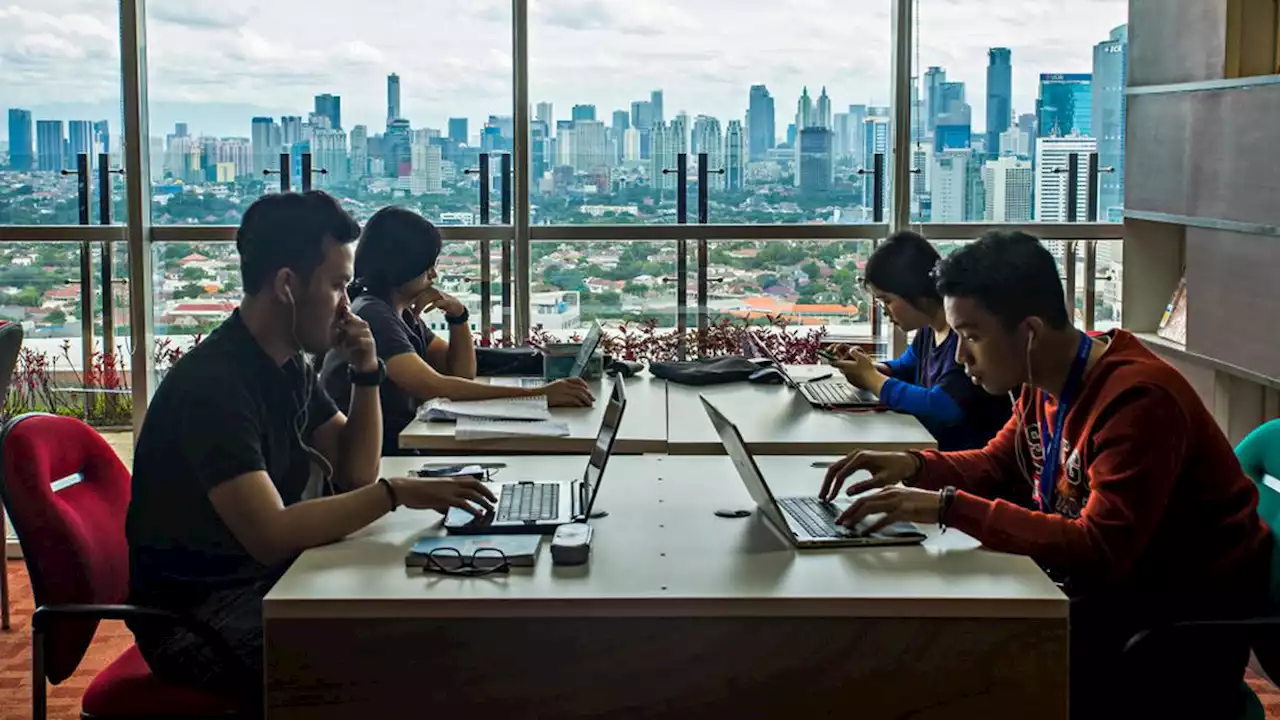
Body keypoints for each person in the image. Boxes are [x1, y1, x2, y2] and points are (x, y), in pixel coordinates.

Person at [819, 230, 1271, 719]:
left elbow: (1100, 548)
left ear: (1029, 332)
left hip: (1167, 625)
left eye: (971, 337)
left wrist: (947, 505)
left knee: (956, 667)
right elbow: (996, 463)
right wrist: (914, 465)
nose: (961, 357)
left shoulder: (1139, 401)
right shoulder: (1044, 380)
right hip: (1100, 597)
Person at [125, 192, 496, 709]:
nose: (347, 302)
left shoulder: (286, 365)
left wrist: (367, 375)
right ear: (287, 286)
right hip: (200, 622)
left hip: (267, 584)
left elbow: (355, 471)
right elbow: (271, 535)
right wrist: (399, 493)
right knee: (415, 660)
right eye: (338, 285)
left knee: (429, 628)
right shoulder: (215, 387)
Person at [320, 206, 593, 455]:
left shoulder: (399, 312)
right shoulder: (373, 314)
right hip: (386, 456)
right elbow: (432, 386)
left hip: (402, 446)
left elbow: (461, 372)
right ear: (403, 266)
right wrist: (541, 396)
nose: (434, 276)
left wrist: (458, 316)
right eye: (428, 267)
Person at [829, 231, 1011, 450]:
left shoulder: (964, 338)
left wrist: (871, 378)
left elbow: (943, 406)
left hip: (966, 466)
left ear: (915, 291)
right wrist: (865, 368)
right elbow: (905, 367)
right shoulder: (929, 331)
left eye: (887, 301)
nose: (885, 312)